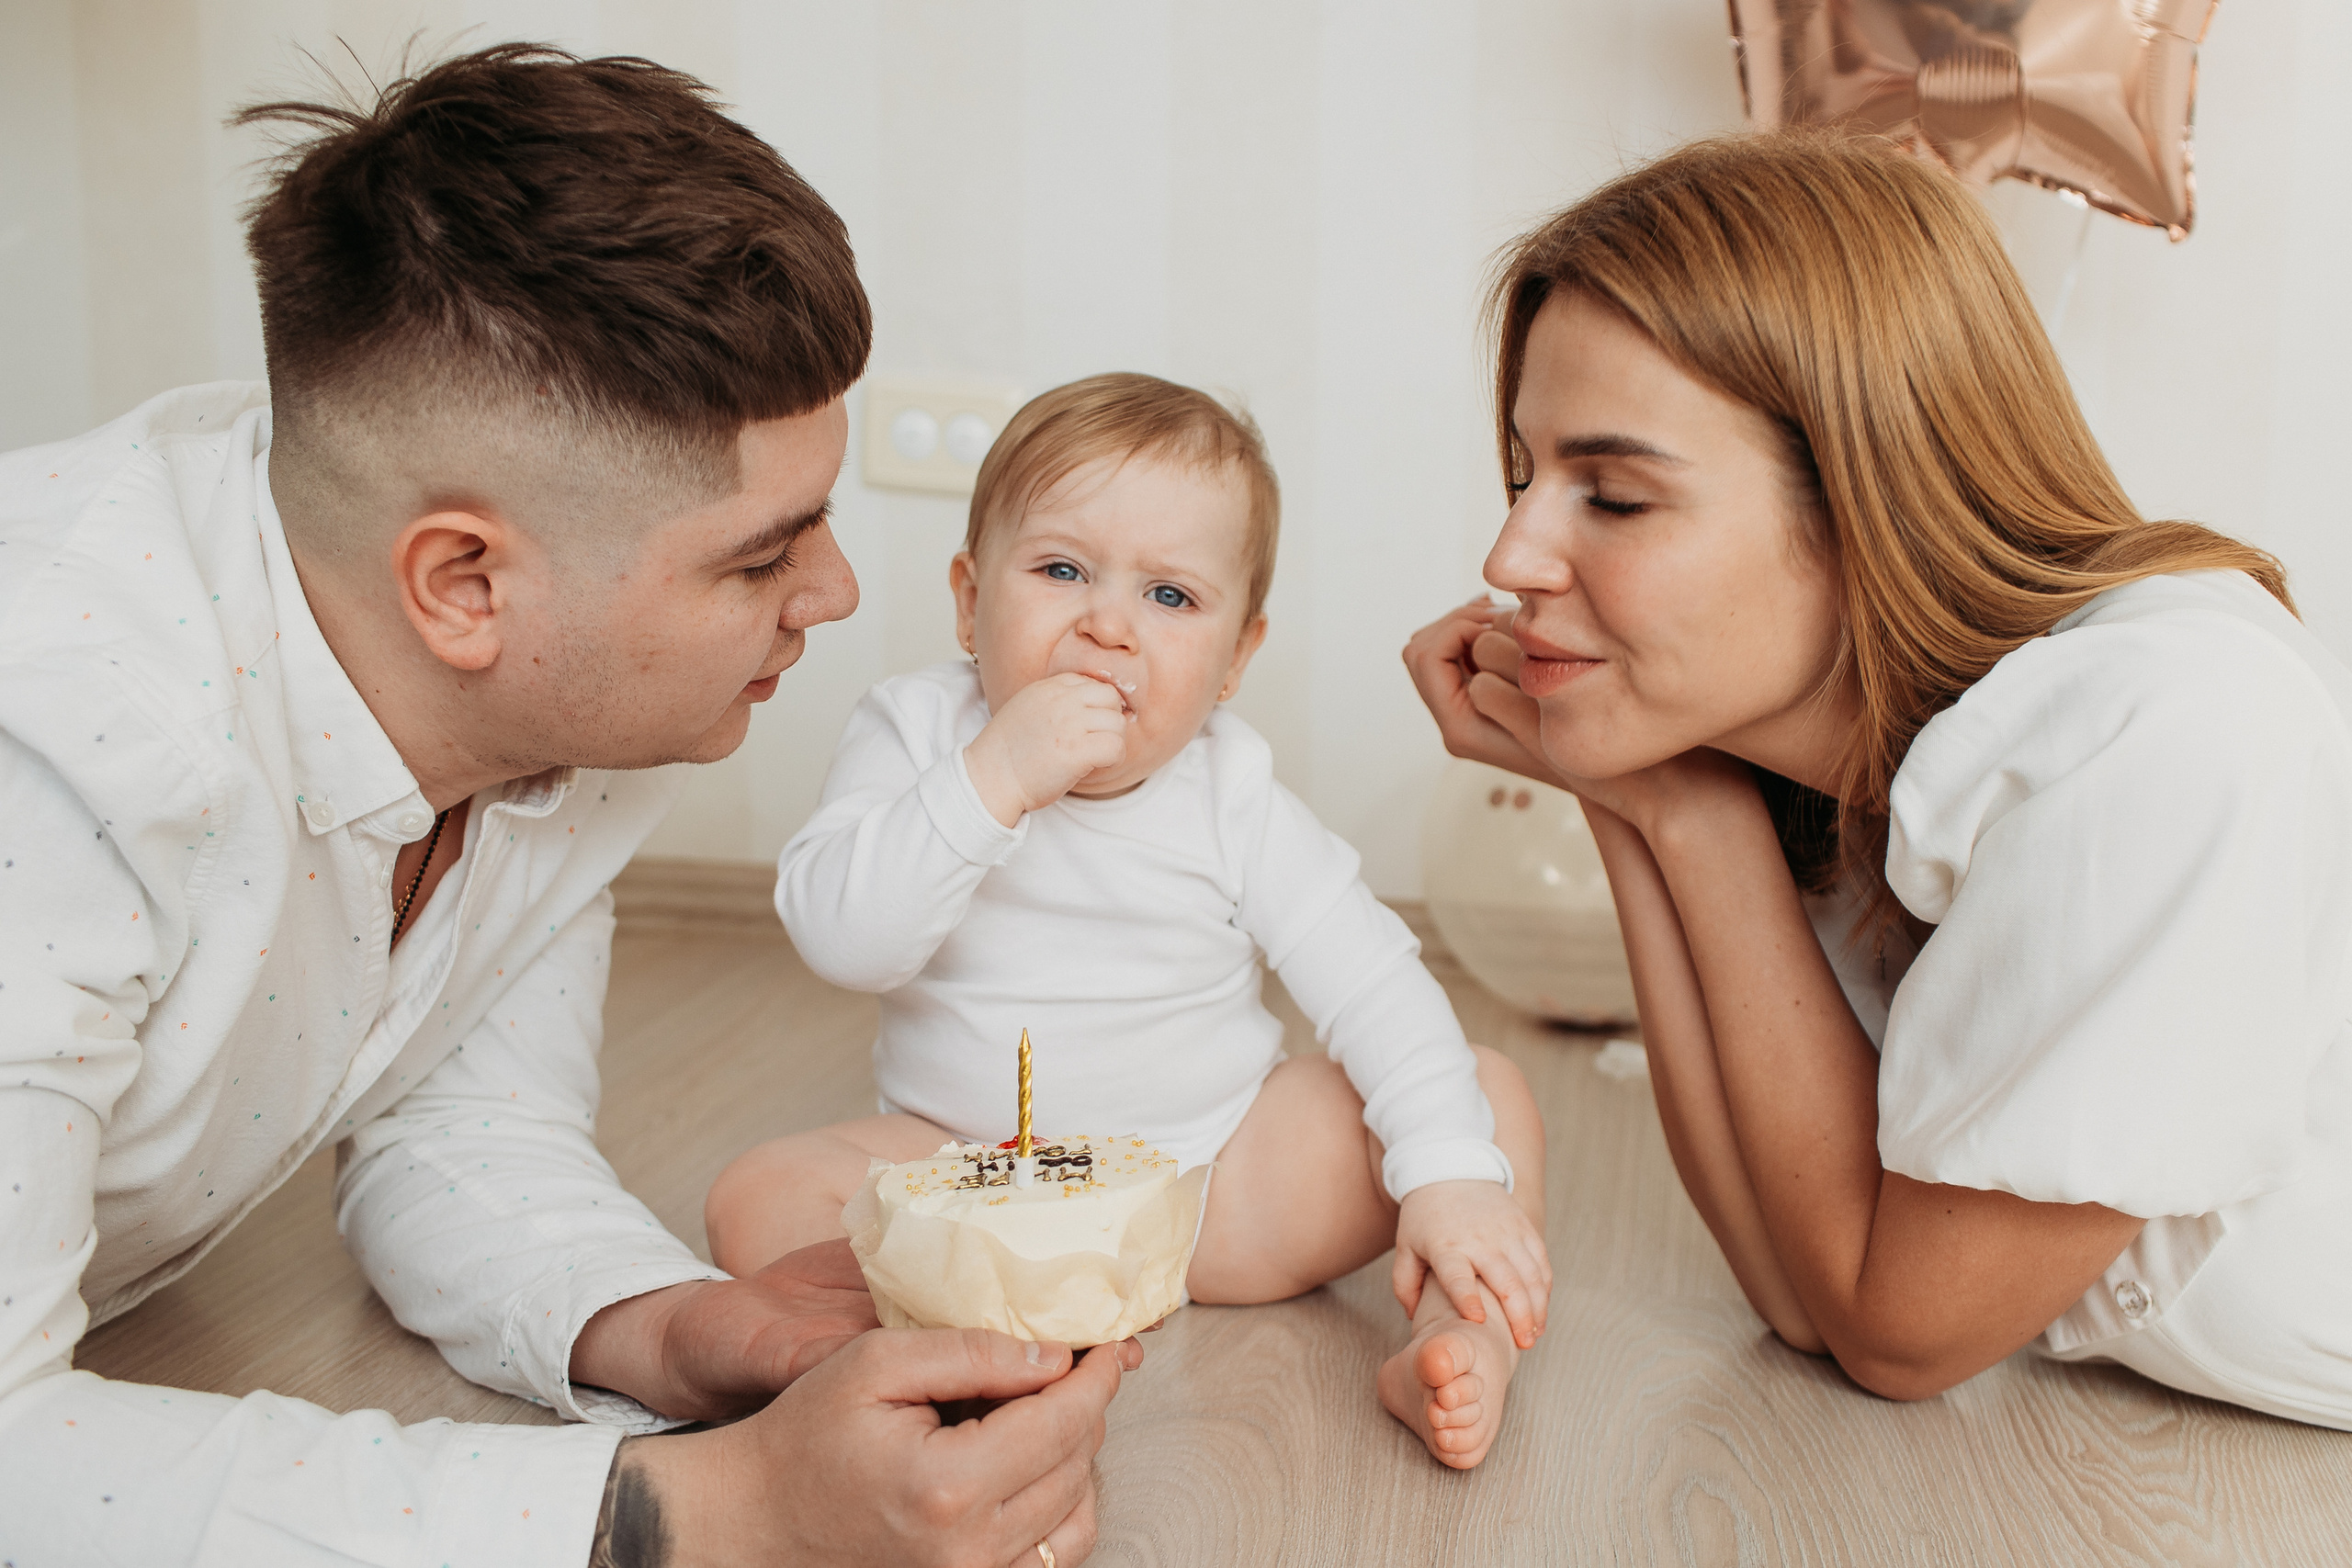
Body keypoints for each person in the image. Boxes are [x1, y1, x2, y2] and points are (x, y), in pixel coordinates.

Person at [0, 45, 1134, 1567]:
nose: (836, 590)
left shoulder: (556, 698)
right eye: (762, 553)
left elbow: (455, 1113)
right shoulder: (57, 751)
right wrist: (706, 1510)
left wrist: (676, 1328)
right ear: (465, 583)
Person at [1404, 130, 2352, 1427]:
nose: (1510, 555)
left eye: (1613, 495)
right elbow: (1804, 1290)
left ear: (1866, 499)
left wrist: (1672, 803)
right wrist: (1650, 800)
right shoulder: (1822, 761)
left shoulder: (2162, 731)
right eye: (1525, 475)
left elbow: (1899, 1333)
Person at [704, 373, 1553, 1468]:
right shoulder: (917, 733)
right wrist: (993, 779)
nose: (1107, 624)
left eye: (1170, 597)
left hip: (1207, 1190)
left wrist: (1444, 1177)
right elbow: (842, 940)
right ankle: (945, 1355)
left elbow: (1372, 982)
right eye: (1061, 571)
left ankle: (1458, 1329)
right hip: (967, 1187)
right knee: (757, 1197)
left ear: (1235, 658)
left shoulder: (1232, 792)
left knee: (1482, 1097)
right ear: (968, 602)